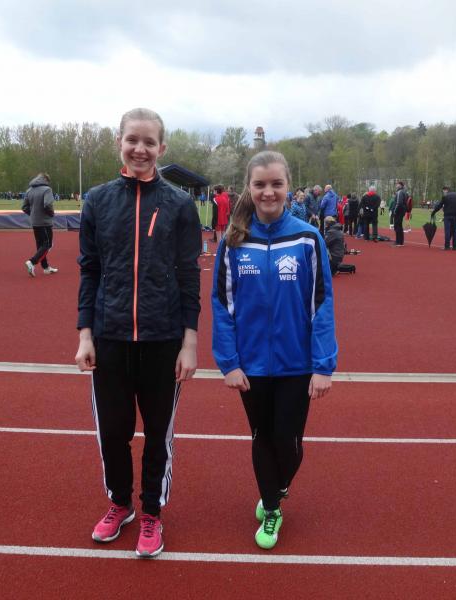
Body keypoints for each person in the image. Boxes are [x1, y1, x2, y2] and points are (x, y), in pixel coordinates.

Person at [76, 107, 201, 558]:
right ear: (119, 142)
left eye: (149, 142)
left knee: (157, 433)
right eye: (133, 139)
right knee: (113, 432)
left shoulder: (179, 205)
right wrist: (85, 334)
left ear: (161, 148)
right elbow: (89, 270)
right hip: (109, 337)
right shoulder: (97, 201)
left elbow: (189, 275)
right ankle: (120, 503)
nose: (140, 149)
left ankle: (151, 512)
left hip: (162, 339)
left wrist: (189, 343)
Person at [212, 150, 337, 551]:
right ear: (249, 188)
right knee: (261, 437)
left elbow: (321, 304)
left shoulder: (308, 238)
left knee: (289, 442)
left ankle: (276, 490)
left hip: (296, 365)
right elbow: (222, 304)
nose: (268, 192)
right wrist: (229, 362)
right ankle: (271, 506)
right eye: (260, 184)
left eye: (276, 184)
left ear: (288, 187)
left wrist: (323, 365)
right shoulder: (233, 240)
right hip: (250, 366)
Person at [22, 173, 58, 276]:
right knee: (48, 244)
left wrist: (33, 214)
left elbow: (24, 207)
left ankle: (45, 267)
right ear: (46, 180)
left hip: (35, 222)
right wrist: (51, 214)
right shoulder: (47, 190)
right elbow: (47, 204)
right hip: (45, 222)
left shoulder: (29, 190)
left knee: (40, 245)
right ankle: (32, 262)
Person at [392, 181, 408, 246]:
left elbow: (399, 203)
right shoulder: (404, 192)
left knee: (397, 226)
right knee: (400, 226)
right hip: (402, 211)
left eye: (397, 184)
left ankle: (398, 242)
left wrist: (394, 211)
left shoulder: (400, 192)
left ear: (400, 185)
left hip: (398, 211)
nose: (396, 185)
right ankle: (401, 242)